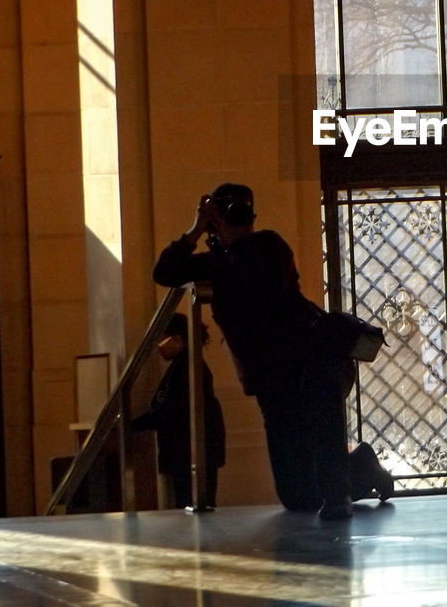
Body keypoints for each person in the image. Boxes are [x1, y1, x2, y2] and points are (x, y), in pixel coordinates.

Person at [152, 182, 394, 520]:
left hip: (313, 358)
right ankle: (364, 465)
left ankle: (340, 496)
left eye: (243, 213)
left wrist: (224, 239)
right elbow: (164, 272)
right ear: (214, 219)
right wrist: (195, 229)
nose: (238, 221)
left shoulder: (267, 245)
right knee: (296, 496)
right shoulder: (218, 262)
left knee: (327, 466)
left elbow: (254, 270)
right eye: (228, 213)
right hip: (272, 382)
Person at [130, 312, 226, 509]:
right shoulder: (186, 367)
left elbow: (170, 411)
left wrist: (132, 425)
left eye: (161, 339)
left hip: (187, 451)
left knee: (190, 502)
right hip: (187, 451)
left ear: (177, 339)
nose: (158, 346)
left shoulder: (186, 369)